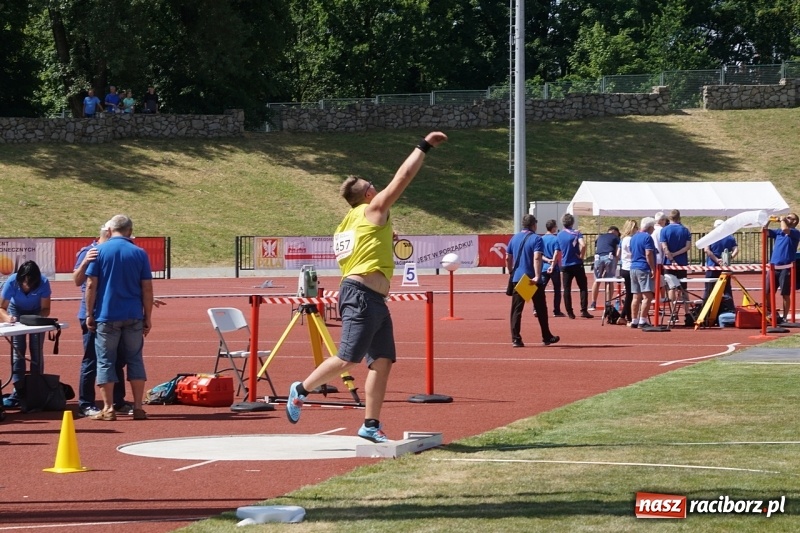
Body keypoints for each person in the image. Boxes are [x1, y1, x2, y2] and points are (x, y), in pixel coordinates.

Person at [285, 132, 448, 443]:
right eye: (374, 188)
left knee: (383, 361)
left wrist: (387, 236)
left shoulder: (349, 221)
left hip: (373, 298)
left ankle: (370, 425)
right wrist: (424, 146)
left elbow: (364, 243)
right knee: (348, 358)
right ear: (368, 194)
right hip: (360, 295)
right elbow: (404, 176)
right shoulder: (373, 209)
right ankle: (301, 389)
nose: (378, 190)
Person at [85, 215, 154, 421]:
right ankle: (139, 407)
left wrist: (89, 314)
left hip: (107, 315)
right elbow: (147, 288)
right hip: (133, 314)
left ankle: (108, 408)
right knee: (135, 359)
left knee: (105, 361)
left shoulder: (99, 251)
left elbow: (91, 285)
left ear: (110, 230)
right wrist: (147, 316)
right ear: (130, 230)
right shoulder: (139, 253)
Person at [73, 223, 130, 417]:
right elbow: (78, 280)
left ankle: (118, 400)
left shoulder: (116, 252)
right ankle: (85, 403)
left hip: (113, 313)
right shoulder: (89, 252)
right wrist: (84, 262)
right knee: (92, 359)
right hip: (92, 314)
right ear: (108, 233)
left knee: (117, 359)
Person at [0, 261, 52, 408]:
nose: (26, 286)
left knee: (36, 350)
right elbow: (1, 308)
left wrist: (35, 319)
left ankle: (36, 390)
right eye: (24, 283)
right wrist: (8, 318)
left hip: (35, 313)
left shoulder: (43, 282)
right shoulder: (11, 281)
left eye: (30, 283)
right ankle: (18, 390)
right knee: (18, 350)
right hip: (16, 310)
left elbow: (46, 309)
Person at [507, 214, 560, 348]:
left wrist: (510, 271)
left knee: (516, 310)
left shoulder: (514, 238)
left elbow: (508, 257)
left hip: (518, 277)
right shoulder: (537, 239)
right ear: (534, 225)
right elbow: (537, 257)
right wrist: (537, 276)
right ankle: (546, 336)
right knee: (541, 308)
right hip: (531, 279)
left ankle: (516, 338)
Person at [660, 209, 693, 326]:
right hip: (681, 262)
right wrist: (677, 254)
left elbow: (664, 247)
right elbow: (687, 247)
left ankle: (673, 313)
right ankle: (688, 313)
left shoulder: (664, 230)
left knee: (671, 288)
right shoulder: (685, 230)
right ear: (679, 217)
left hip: (669, 263)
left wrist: (671, 257)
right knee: (683, 288)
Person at [765, 213, 800, 322]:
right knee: (767, 292)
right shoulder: (779, 232)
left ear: (794, 222)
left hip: (786, 267)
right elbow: (765, 232)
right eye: (787, 217)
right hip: (773, 267)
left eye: (790, 218)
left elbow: (785, 229)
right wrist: (768, 220)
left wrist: (782, 219)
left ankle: (785, 317)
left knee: (785, 293)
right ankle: (772, 313)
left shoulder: (795, 232)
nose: (787, 218)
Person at [557, 213, 592, 319]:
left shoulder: (559, 235)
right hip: (576, 263)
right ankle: (583, 310)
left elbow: (557, 250)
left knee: (567, 288)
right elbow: (584, 244)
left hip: (565, 264)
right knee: (583, 287)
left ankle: (570, 312)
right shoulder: (576, 233)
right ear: (572, 222)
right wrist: (581, 256)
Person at [629, 217, 657, 328]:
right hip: (643, 268)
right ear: (649, 227)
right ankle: (642, 319)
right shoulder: (647, 237)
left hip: (633, 267)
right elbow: (648, 253)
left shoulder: (633, 237)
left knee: (636, 296)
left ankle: (634, 320)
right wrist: (652, 268)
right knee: (647, 296)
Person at [703, 219, 739, 303]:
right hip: (725, 267)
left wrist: (717, 260)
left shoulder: (710, 236)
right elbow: (736, 250)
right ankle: (729, 308)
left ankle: (706, 309)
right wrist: (728, 259)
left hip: (712, 266)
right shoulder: (730, 237)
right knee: (726, 289)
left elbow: (707, 250)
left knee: (709, 289)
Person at [589, 226, 621, 311]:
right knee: (609, 281)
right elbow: (618, 250)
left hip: (598, 257)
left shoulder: (600, 237)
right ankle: (608, 303)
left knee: (597, 280)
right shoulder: (616, 237)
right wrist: (617, 260)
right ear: (615, 232)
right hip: (609, 257)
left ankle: (593, 303)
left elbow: (597, 248)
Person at [541, 219, 565, 317]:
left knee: (540, 289)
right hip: (554, 268)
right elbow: (556, 253)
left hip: (543, 267)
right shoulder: (555, 239)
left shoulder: (541, 239)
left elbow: (539, 254)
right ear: (553, 228)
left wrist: (547, 260)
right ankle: (556, 310)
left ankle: (536, 309)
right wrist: (552, 264)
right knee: (557, 290)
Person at [618, 219, 639, 326]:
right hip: (629, 267)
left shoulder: (623, 239)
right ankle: (626, 316)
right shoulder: (630, 239)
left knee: (630, 294)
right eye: (636, 227)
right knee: (631, 294)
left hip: (625, 267)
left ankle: (625, 316)